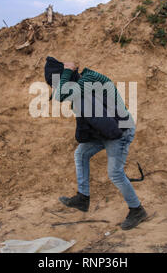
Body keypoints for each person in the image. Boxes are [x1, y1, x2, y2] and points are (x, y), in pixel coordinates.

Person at [44, 56, 147, 230]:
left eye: (57, 83)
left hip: (119, 132)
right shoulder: (80, 89)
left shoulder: (88, 80)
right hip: (107, 131)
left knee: (115, 173)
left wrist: (67, 70)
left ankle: (137, 210)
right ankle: (83, 198)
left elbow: (61, 95)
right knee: (81, 153)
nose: (55, 88)